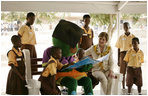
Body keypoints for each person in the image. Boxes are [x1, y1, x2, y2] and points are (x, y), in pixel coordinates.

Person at [115, 22, 135, 89]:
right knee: (122, 72)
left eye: (126, 27)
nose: (125, 28)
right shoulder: (121, 37)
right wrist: (118, 60)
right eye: (124, 27)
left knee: (130, 72)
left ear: (129, 27)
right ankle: (123, 87)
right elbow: (118, 48)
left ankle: (130, 86)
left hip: (130, 55)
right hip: (122, 55)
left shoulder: (133, 37)